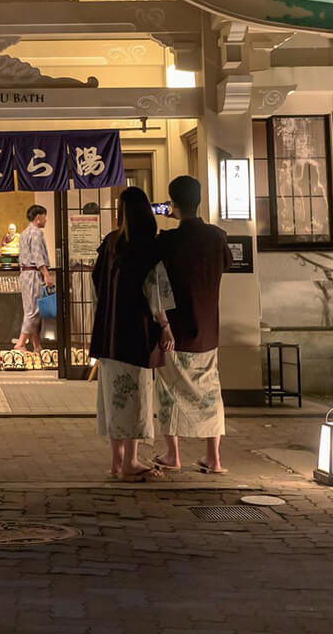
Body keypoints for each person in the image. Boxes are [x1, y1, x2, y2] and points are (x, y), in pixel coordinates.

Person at [90, 186, 176, 481]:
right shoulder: (147, 248)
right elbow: (156, 294)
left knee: (114, 399)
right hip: (135, 336)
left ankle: (116, 463)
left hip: (108, 335)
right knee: (136, 398)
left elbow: (96, 287)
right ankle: (131, 462)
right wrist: (165, 326)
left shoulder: (110, 243)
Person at [153, 175, 231, 474]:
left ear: (172, 204)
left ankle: (172, 454)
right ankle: (213, 457)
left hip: (174, 329)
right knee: (210, 391)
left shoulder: (169, 241)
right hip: (208, 328)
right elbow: (226, 263)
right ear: (199, 201)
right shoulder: (216, 237)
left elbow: (156, 279)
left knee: (170, 391)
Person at [12, 204, 53, 353]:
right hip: (33, 274)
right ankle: (21, 343)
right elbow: (37, 256)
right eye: (44, 216)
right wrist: (46, 274)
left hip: (25, 274)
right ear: (38, 218)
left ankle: (37, 346)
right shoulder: (36, 233)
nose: (46, 220)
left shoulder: (23, 233)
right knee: (33, 311)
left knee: (31, 310)